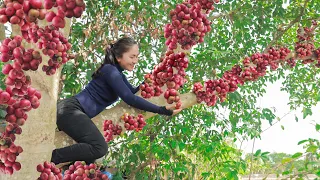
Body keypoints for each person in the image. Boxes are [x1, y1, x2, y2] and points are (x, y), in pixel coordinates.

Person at [51, 36, 182, 165]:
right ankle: (50, 157)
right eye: (132, 56)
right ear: (119, 57)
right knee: (99, 148)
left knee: (90, 160)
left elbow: (133, 91)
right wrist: (161, 110)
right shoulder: (110, 70)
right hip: (71, 110)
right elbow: (130, 98)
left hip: (73, 113)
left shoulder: (119, 75)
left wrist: (156, 75)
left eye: (137, 56)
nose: (135, 61)